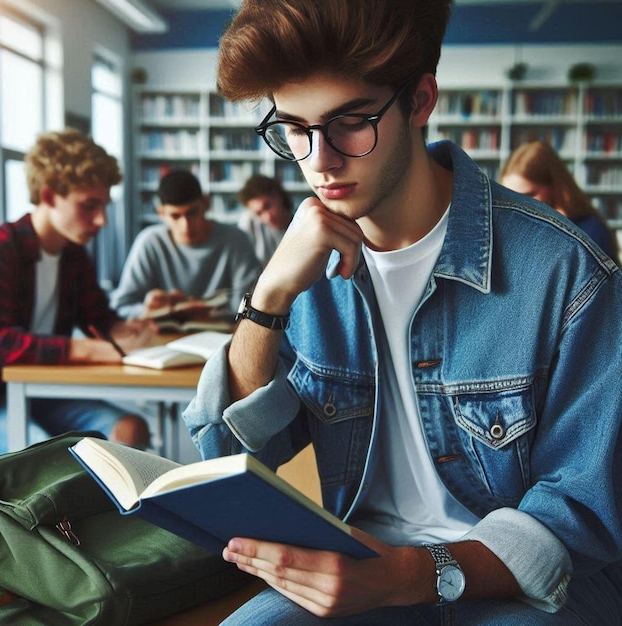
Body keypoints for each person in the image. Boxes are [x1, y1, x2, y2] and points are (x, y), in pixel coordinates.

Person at [183, 1, 622, 624]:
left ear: (419, 102)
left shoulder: (566, 270)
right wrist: (268, 299)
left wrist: (415, 574)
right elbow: (237, 458)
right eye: (295, 128)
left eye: (350, 123)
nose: (320, 160)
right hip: (359, 567)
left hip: (528, 585)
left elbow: (584, 512)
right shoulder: (302, 264)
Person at [0, 129, 155, 455]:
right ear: (50, 196)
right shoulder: (3, 248)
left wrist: (128, 330)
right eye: (89, 206)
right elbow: (0, 344)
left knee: (131, 430)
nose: (101, 220)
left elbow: (98, 316)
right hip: (1, 396)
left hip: (47, 389)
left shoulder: (74, 254)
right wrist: (88, 350)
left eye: (104, 206)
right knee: (44, 455)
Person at [111, 169, 260, 319]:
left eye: (192, 213)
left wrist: (212, 314)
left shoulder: (236, 240)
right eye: (175, 216)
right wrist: (145, 310)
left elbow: (254, 306)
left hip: (223, 336)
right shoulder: (149, 242)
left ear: (206, 204)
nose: (186, 225)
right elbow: (121, 306)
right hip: (164, 338)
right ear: (161, 214)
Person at [500, 140, 620, 263]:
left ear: (555, 187)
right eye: (509, 198)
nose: (516, 206)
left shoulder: (590, 231)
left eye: (528, 195)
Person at [237, 174, 293, 265]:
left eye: (267, 206)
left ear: (278, 196)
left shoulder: (302, 223)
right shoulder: (249, 222)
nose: (268, 217)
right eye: (259, 213)